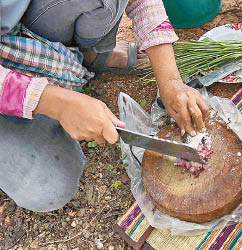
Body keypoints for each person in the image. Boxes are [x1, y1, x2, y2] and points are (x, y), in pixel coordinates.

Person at [0, 0, 208, 212]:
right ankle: (53, 89)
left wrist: (170, 80)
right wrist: (54, 103)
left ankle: (92, 56)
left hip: (22, 31)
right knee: (49, 188)